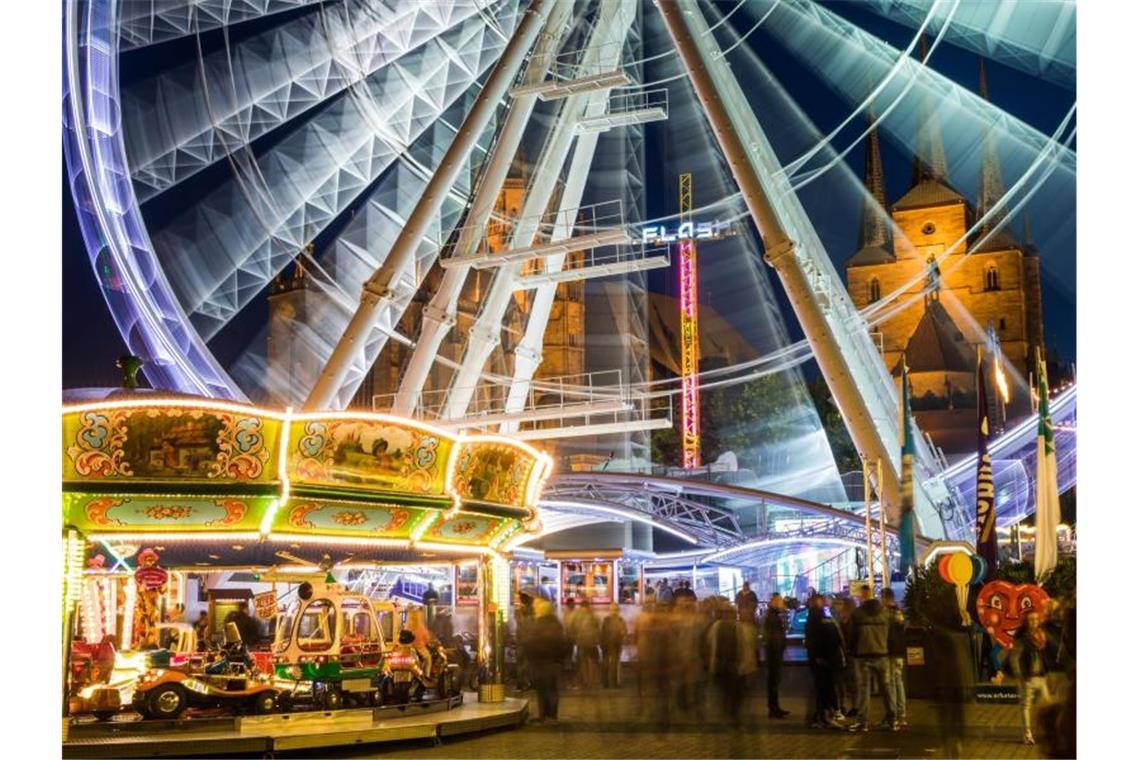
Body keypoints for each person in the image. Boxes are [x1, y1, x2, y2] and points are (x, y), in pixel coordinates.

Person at [928, 602, 976, 758]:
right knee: (957, 717)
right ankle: (956, 744)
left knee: (947, 719)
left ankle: (951, 746)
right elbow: (965, 663)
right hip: (957, 684)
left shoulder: (939, 637)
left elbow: (934, 664)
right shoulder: (960, 636)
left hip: (944, 685)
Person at [847, 586, 897, 732]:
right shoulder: (885, 613)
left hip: (862, 657)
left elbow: (852, 636)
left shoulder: (857, 614)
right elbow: (892, 634)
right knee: (887, 689)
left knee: (864, 690)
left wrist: (851, 650)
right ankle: (892, 720)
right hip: (882, 655)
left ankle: (863, 722)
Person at [1009, 610, 1052, 746]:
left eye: (1036, 619)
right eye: (1031, 620)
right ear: (1027, 622)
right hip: (1028, 678)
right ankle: (1027, 735)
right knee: (1026, 706)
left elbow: (1047, 655)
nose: (1034, 622)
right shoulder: (1023, 640)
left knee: (1048, 705)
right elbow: (1014, 658)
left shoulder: (1042, 636)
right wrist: (1020, 675)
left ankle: (1049, 732)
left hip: (1041, 678)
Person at [707, 602, 753, 728]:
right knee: (729, 693)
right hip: (724, 666)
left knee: (732, 694)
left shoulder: (735, 627)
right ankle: (730, 715)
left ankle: (730, 715)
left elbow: (743, 647)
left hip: (731, 666)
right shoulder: (718, 627)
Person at [804, 594, 845, 728]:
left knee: (821, 688)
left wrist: (816, 655)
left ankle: (822, 716)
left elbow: (813, 638)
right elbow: (833, 637)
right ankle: (827, 714)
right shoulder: (826, 617)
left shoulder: (813, 617)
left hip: (820, 658)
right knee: (828, 687)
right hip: (830, 657)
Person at [526, 599, 569, 723]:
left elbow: (531, 643)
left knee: (541, 689)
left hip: (539, 662)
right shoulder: (557, 624)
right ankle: (553, 715)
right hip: (554, 662)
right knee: (553, 689)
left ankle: (543, 715)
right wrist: (560, 659)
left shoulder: (537, 624)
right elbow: (562, 643)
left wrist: (531, 657)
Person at [882, 588, 908, 729]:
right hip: (899, 652)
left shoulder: (887, 614)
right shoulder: (899, 613)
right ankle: (902, 714)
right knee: (898, 682)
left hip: (890, 652)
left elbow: (887, 635)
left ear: (885, 598)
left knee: (890, 683)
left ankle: (893, 716)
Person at [762, 593, 790, 718]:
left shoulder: (773, 614)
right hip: (774, 654)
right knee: (773, 682)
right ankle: (773, 709)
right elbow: (774, 636)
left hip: (773, 653)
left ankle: (775, 707)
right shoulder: (772, 616)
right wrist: (779, 649)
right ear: (774, 601)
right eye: (779, 601)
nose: (782, 603)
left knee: (774, 682)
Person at [575, 603, 601, 689]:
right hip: (592, 642)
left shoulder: (578, 615)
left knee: (583, 662)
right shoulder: (593, 615)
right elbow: (598, 625)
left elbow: (574, 627)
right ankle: (593, 680)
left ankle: (585, 680)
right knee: (593, 661)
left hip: (581, 642)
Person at [601, 603, 626, 688]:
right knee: (614, 664)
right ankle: (614, 683)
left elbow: (602, 632)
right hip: (615, 644)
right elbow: (624, 632)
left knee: (606, 663)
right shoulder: (620, 620)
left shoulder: (606, 620)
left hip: (606, 644)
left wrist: (602, 644)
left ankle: (605, 683)